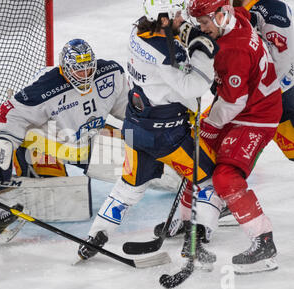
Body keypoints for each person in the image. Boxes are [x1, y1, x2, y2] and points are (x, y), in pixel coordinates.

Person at [77, 0, 225, 265]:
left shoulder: (138, 32)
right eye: (178, 14)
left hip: (136, 130)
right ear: (164, 19)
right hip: (168, 138)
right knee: (209, 180)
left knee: (128, 188)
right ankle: (200, 234)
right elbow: (193, 87)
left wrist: (182, 38)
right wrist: (202, 52)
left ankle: (95, 236)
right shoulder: (165, 54)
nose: (183, 18)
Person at [0, 39, 130, 219]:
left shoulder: (110, 73)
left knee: (141, 160)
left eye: (88, 68)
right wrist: (2, 149)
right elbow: (8, 113)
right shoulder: (45, 87)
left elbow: (129, 110)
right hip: (45, 147)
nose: (84, 75)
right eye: (78, 69)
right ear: (65, 67)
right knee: (62, 200)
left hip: (87, 138)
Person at [188, 0, 283, 273]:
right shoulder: (237, 17)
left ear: (221, 15)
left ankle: (263, 240)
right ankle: (197, 225)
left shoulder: (235, 50)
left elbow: (232, 102)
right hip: (245, 103)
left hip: (256, 115)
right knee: (198, 154)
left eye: (205, 22)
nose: (202, 28)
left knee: (225, 175)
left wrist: (210, 126)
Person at [234, 0, 294, 161]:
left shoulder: (271, 9)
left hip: (283, 93)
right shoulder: (239, 10)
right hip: (264, 94)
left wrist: (261, 95)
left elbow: (282, 60)